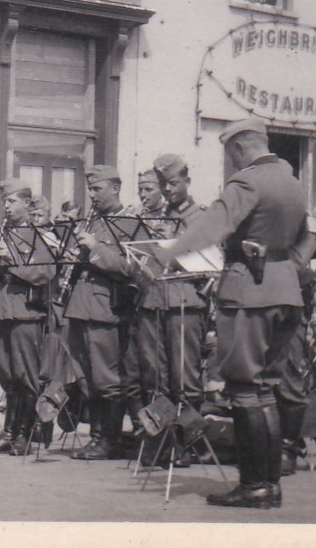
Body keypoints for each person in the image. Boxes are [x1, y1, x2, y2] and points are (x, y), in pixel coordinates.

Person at [152, 117, 307, 510]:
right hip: (286, 289)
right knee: (266, 388)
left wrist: (168, 253)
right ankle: (270, 485)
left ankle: (254, 485)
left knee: (244, 389)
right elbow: (306, 240)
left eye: (229, 154)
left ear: (239, 148)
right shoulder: (292, 181)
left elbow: (211, 227)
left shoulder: (247, 182)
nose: (230, 162)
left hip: (250, 291)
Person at [133, 153, 207, 467]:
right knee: (155, 375)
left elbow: (207, 265)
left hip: (183, 302)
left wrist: (173, 245)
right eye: (164, 184)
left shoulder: (199, 217)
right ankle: (160, 443)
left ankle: (186, 444)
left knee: (184, 377)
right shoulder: (156, 216)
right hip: (153, 299)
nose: (168, 190)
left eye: (174, 183)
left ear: (187, 181)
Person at [0, 179, 54, 457]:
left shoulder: (38, 236)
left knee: (25, 375)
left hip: (25, 311)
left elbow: (45, 273)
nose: (6, 207)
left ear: (27, 203)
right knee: (7, 375)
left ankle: (25, 434)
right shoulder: (3, 233)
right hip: (2, 309)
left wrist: (10, 258)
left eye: (11, 201)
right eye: (4, 201)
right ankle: (9, 434)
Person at [66, 165, 138, 461]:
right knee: (86, 378)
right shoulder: (93, 221)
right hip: (81, 307)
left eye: (97, 189)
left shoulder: (130, 223)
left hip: (106, 309)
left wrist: (95, 249)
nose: (92, 195)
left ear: (115, 188)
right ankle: (96, 437)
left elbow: (129, 267)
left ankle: (110, 439)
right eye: (90, 189)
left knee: (107, 379)